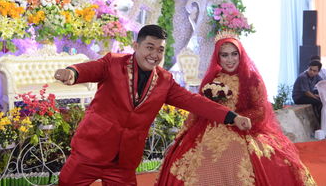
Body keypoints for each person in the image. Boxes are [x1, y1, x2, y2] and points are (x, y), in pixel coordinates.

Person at [54, 24, 251, 186]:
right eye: (149, 47)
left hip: (123, 162)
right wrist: (72, 73)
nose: (155, 54)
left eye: (160, 50)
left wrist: (232, 117)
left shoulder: (165, 81)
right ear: (136, 46)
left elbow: (195, 102)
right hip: (90, 151)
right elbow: (88, 69)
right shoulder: (112, 63)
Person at [156, 34, 316, 186]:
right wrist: (179, 138)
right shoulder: (213, 78)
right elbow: (199, 109)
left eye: (234, 54)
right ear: (218, 57)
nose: (230, 60)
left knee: (238, 159)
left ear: (240, 55)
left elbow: (260, 111)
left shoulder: (251, 78)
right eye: (224, 55)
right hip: (208, 129)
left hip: (242, 129)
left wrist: (237, 119)